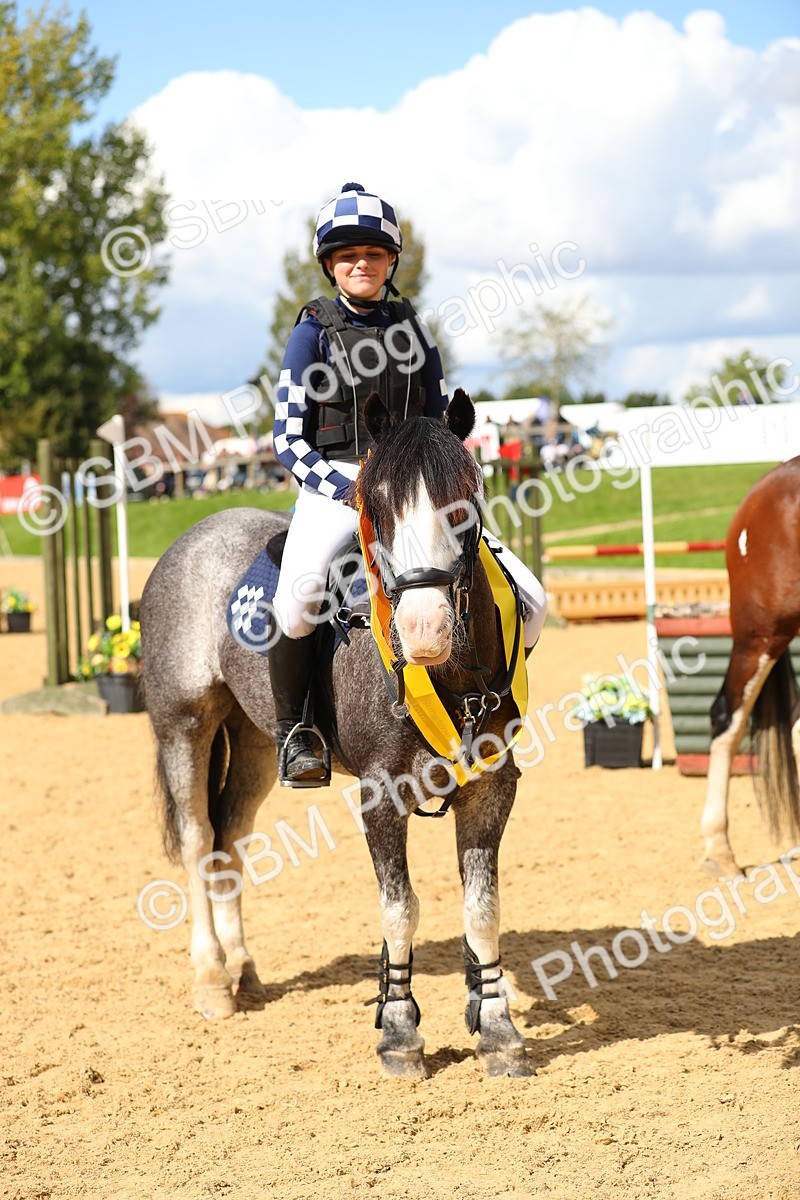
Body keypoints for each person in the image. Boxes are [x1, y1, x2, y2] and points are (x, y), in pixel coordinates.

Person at [270, 182, 547, 785]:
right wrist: (347, 490)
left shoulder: (416, 330)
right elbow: (287, 439)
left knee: (532, 599)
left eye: (372, 253)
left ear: (391, 261)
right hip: (338, 482)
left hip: (416, 489)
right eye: (347, 256)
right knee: (297, 602)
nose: (360, 264)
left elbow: (439, 416)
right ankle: (299, 732)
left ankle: (485, 706)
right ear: (329, 265)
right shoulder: (310, 333)